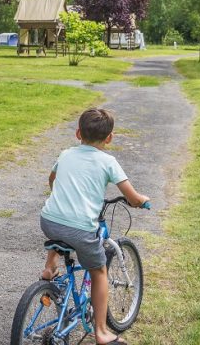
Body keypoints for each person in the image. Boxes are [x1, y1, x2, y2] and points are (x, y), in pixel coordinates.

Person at [39, 108, 149, 345]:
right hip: (79, 229)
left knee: (62, 228)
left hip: (48, 220)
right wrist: (141, 201)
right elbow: (130, 195)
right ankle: (101, 331)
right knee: (99, 271)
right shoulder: (108, 161)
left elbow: (52, 179)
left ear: (78, 133)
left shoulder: (66, 153)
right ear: (109, 137)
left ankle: (49, 267)